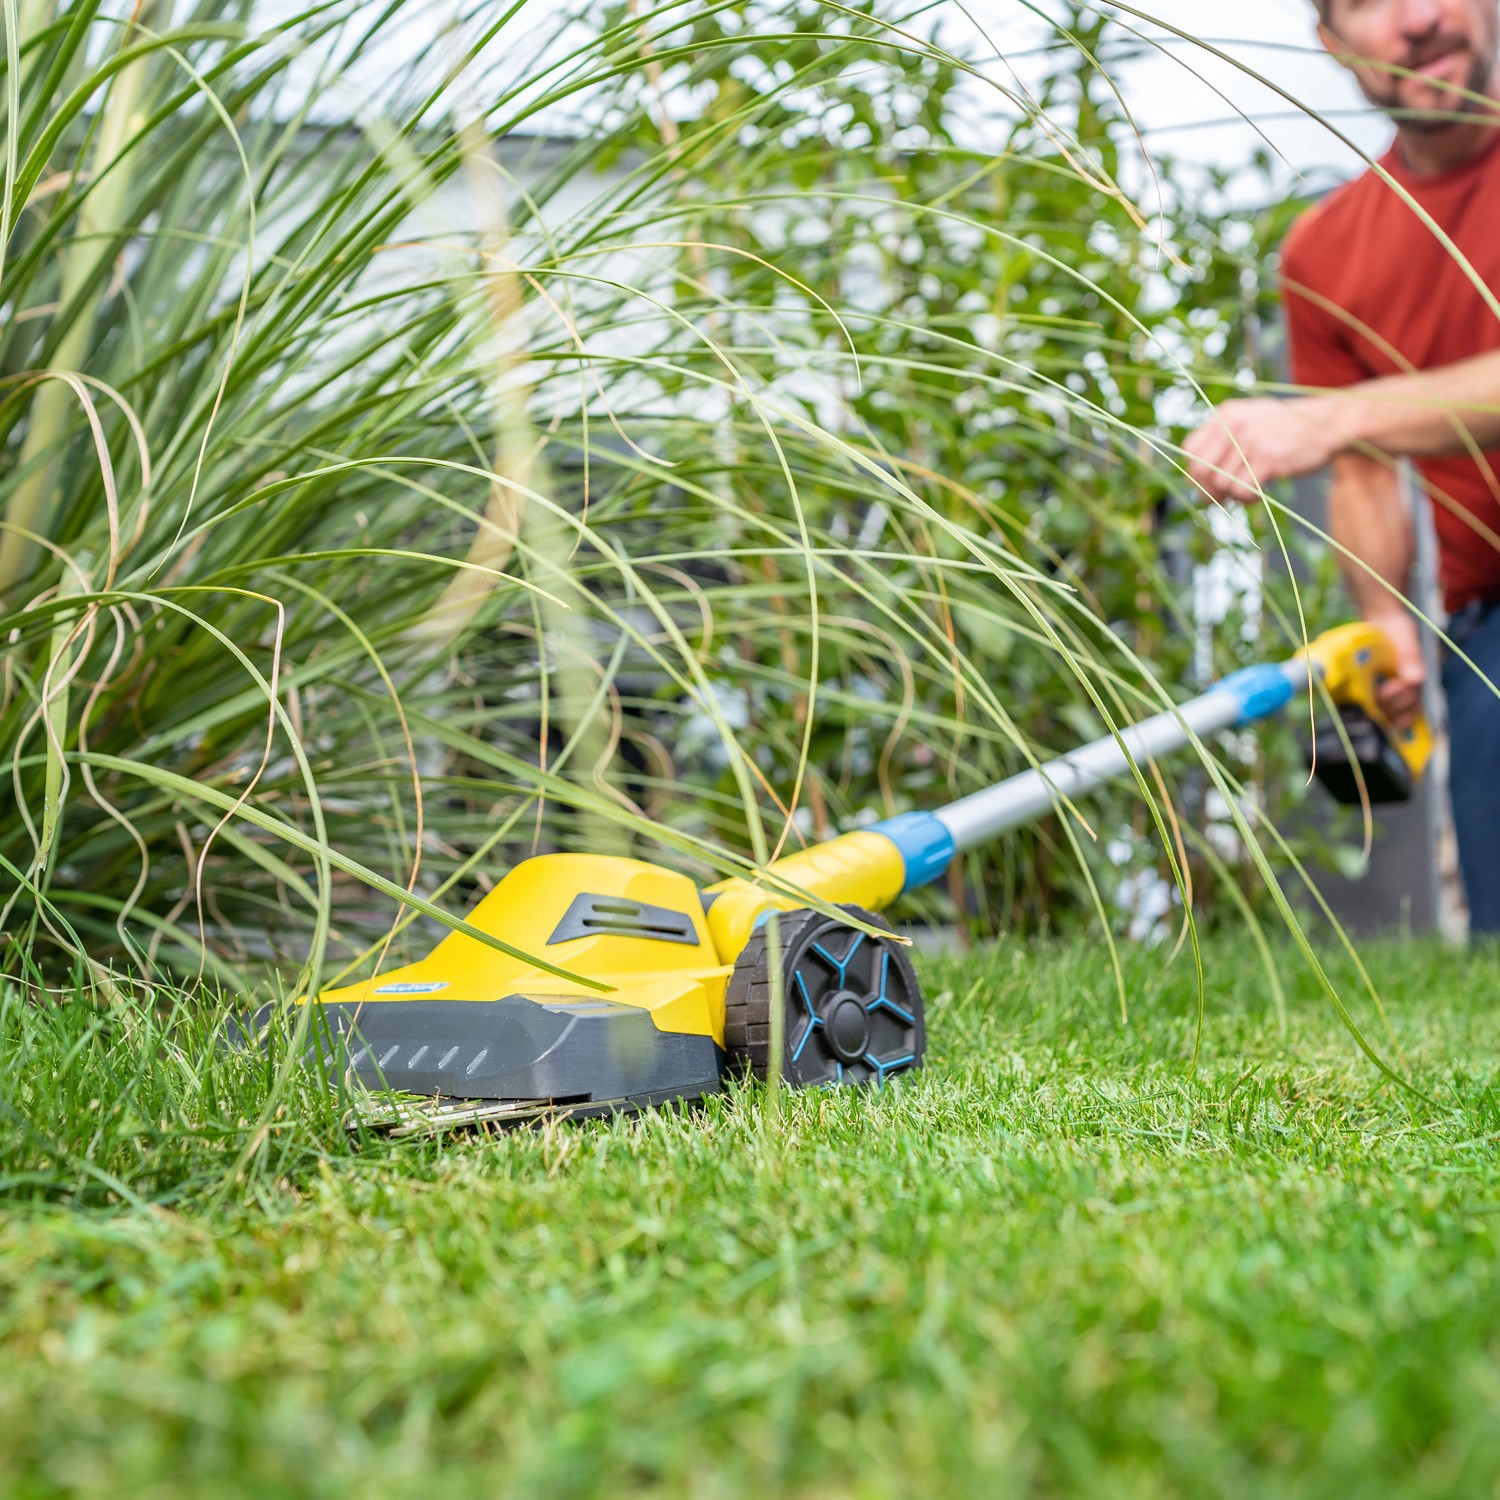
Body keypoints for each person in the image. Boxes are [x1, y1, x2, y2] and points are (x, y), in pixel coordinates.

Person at [1184, 0, 1500, 936]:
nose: (1417, 18)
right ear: (1332, 44)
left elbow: (1343, 430)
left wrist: (1330, 416)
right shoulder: (1326, 253)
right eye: (1369, 0)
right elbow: (1363, 467)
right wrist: (1387, 623)